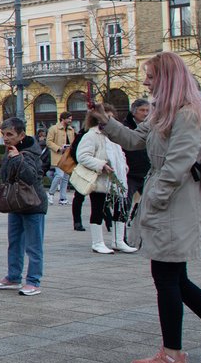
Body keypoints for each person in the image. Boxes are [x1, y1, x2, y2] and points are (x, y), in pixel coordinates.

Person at [90, 52, 201, 363]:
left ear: (167, 77)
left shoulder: (189, 113)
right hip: (171, 201)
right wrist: (105, 120)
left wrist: (154, 201)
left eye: (150, 75)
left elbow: (179, 164)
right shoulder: (164, 111)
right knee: (174, 278)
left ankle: (173, 355)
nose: (146, 81)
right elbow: (136, 139)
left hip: (176, 203)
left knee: (167, 278)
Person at [0, 117, 48, 295]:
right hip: (16, 203)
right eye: (3, 134)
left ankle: (33, 281)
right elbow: (6, 176)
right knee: (14, 242)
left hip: (33, 203)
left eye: (10, 134)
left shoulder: (30, 153)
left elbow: (32, 177)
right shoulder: (11, 150)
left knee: (33, 245)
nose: (5, 138)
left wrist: (17, 159)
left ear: (21, 134)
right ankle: (14, 276)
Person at [75, 109, 138, 255]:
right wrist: (101, 164)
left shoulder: (113, 135)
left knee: (120, 209)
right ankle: (97, 243)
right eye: (105, 117)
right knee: (98, 209)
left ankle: (118, 241)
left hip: (118, 179)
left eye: (110, 117)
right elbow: (82, 156)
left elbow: (120, 153)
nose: (108, 120)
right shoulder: (91, 135)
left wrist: (124, 165)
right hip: (101, 180)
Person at [123, 99, 152, 224]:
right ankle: (121, 236)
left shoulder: (152, 126)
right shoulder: (126, 127)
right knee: (125, 204)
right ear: (134, 112)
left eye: (147, 110)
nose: (145, 113)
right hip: (130, 173)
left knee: (151, 204)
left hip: (147, 172)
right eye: (142, 110)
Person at [46, 112, 76, 206]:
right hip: (58, 156)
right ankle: (50, 193)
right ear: (63, 119)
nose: (70, 121)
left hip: (68, 156)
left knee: (66, 178)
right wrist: (59, 148)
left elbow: (74, 142)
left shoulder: (71, 130)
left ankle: (63, 198)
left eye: (71, 119)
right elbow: (49, 142)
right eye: (69, 119)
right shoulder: (54, 129)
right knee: (60, 175)